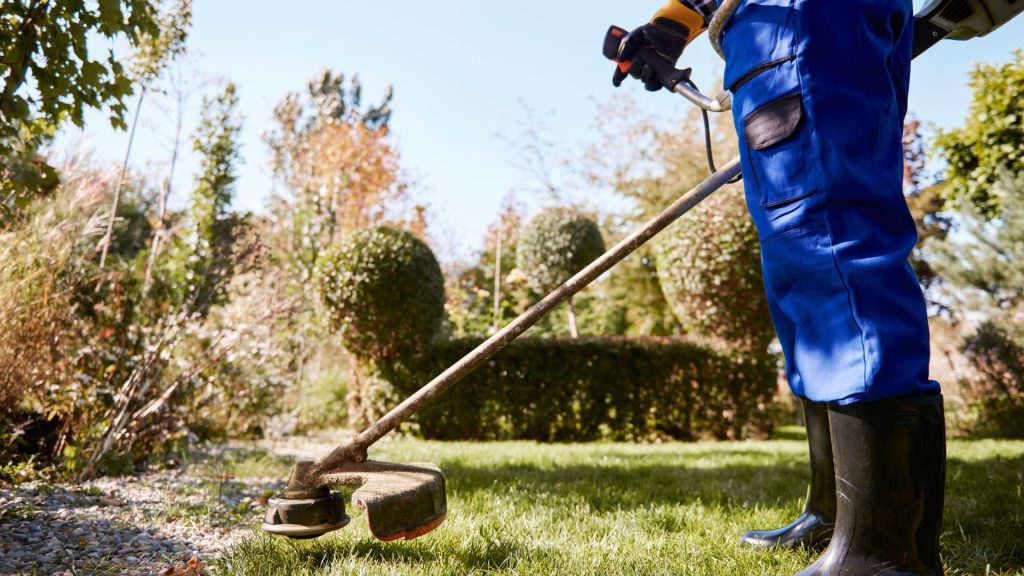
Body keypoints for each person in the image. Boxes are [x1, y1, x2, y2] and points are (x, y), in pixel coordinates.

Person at [611, 1, 946, 574]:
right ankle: (836, 516)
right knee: (801, 265)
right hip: (790, 24)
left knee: (827, 240)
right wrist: (673, 26)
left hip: (797, 18)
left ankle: (882, 550)